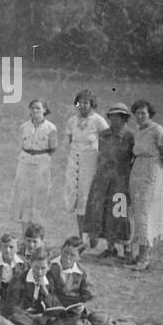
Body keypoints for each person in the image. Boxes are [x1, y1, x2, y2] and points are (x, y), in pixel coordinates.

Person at [83, 103, 135, 259]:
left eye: (118, 116)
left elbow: (133, 158)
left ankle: (127, 248)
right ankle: (110, 247)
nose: (114, 119)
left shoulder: (130, 136)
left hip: (120, 180)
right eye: (112, 116)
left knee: (121, 214)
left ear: (124, 118)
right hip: (102, 179)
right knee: (103, 212)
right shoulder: (104, 134)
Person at [126, 99, 163, 271]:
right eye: (137, 113)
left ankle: (144, 259)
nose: (139, 116)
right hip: (136, 171)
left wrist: (152, 163)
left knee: (146, 213)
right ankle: (141, 254)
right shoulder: (137, 131)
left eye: (143, 113)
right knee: (138, 213)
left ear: (149, 114)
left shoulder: (158, 131)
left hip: (152, 173)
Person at [62, 90, 109, 244]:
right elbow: (69, 141)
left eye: (86, 103)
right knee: (78, 200)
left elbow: (108, 140)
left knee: (90, 199)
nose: (82, 106)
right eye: (79, 102)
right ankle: (82, 236)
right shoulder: (71, 121)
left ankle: (93, 235)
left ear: (92, 104)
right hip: (75, 164)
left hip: (91, 165)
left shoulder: (98, 121)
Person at [9, 99, 58, 227]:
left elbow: (53, 148)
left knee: (39, 196)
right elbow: (22, 144)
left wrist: (39, 156)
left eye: (38, 108)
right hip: (25, 162)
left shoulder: (51, 128)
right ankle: (24, 233)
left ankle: (37, 233)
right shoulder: (24, 127)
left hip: (41, 163)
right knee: (24, 196)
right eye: (32, 108)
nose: (35, 111)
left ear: (45, 110)